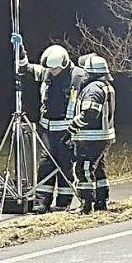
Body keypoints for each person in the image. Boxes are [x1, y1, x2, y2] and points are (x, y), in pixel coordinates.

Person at [15, 36, 87, 213]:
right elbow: (26, 68)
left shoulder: (78, 76)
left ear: (63, 64)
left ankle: (63, 203)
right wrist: (20, 48)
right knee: (46, 165)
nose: (51, 72)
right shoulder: (47, 72)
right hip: (47, 128)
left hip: (67, 129)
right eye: (49, 69)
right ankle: (41, 202)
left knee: (65, 166)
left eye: (54, 69)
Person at [68, 54, 117, 213]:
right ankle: (101, 201)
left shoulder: (92, 89)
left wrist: (72, 127)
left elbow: (89, 114)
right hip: (102, 136)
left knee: (84, 168)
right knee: (99, 169)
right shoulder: (105, 86)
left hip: (91, 137)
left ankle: (87, 205)